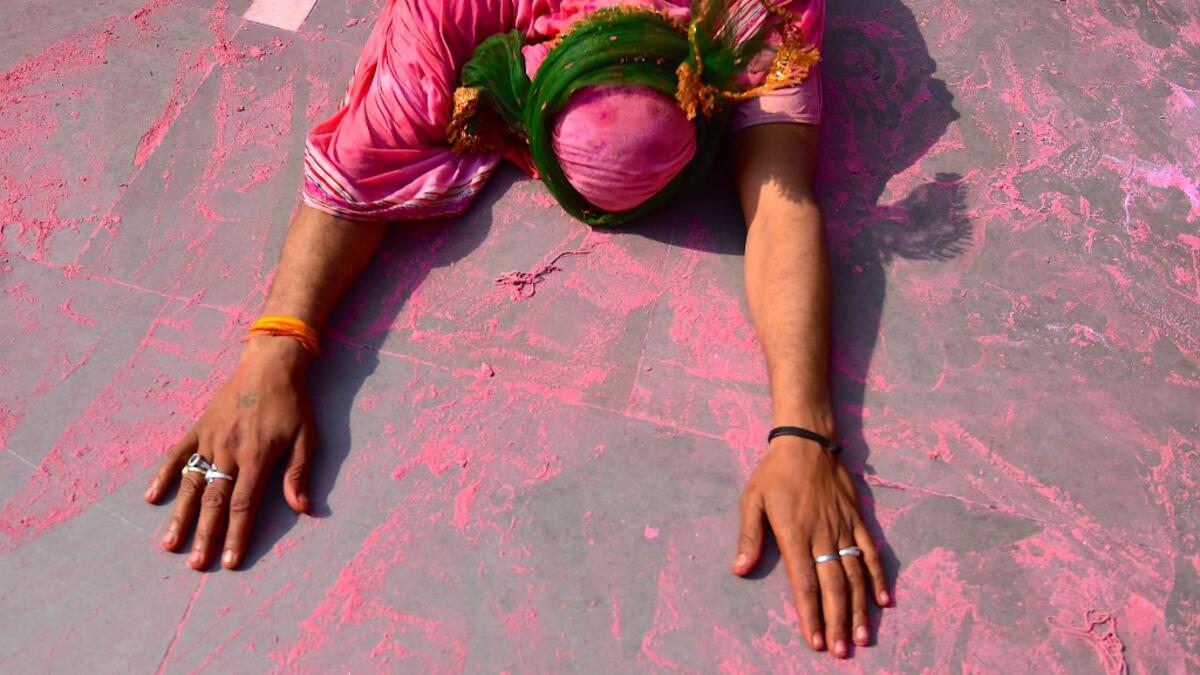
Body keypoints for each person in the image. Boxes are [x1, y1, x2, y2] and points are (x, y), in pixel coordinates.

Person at [143, 0, 890, 659]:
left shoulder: (759, 11)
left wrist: (804, 429)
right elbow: (355, 177)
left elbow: (780, 200)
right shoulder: (450, 10)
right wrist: (274, 349)